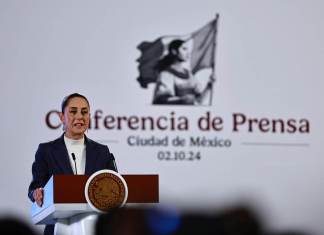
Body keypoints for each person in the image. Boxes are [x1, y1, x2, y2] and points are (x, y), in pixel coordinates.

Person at [28, 93, 118, 235]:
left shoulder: (102, 151)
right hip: (58, 226)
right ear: (62, 117)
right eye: (73, 111)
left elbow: (114, 185)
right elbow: (35, 187)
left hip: (94, 227)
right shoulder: (46, 150)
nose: (79, 117)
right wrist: (36, 193)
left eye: (84, 112)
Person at [153, 39, 214, 105]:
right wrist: (182, 99)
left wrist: (209, 85)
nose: (188, 53)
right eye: (184, 49)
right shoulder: (166, 74)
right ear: (174, 51)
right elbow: (162, 100)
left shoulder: (189, 75)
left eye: (187, 49)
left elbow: (199, 101)